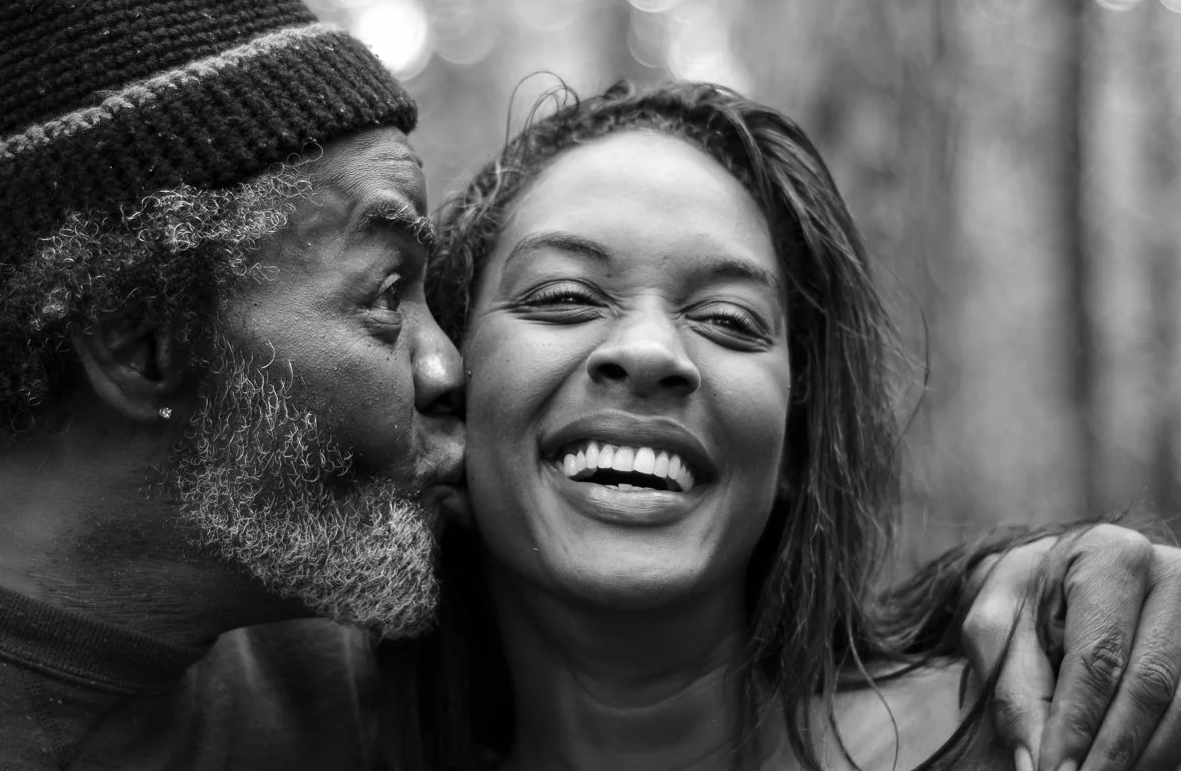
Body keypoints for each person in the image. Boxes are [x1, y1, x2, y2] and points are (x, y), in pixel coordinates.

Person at [0, 0, 1175, 770]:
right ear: (142, 343)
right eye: (389, 293)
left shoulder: (334, 646)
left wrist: (1068, 587)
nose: (447, 361)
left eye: (732, 318)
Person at [381, 80, 1181, 771]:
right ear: (447, 399)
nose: (652, 351)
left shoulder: (1030, 733)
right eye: (563, 297)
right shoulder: (323, 735)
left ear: (797, 443)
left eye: (729, 319)